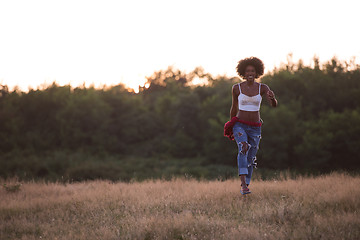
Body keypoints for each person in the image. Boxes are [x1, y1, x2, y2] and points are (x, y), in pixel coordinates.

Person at [224, 57, 277, 195]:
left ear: (257, 72)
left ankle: (246, 186)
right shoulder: (236, 88)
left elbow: (274, 105)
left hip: (255, 127)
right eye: (247, 71)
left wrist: (272, 98)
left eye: (253, 70)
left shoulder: (262, 88)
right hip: (239, 124)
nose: (250, 73)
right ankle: (243, 184)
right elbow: (233, 107)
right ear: (243, 72)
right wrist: (231, 124)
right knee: (243, 147)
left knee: (251, 157)